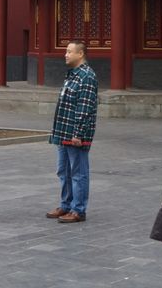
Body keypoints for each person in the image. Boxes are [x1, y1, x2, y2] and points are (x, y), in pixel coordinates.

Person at [46, 41, 98, 224]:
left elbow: (84, 109)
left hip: (75, 135)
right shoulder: (72, 75)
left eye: (69, 51)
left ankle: (78, 210)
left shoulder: (86, 77)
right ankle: (65, 204)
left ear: (81, 54)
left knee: (78, 173)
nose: (65, 54)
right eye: (66, 51)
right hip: (63, 132)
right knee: (63, 171)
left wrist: (78, 133)